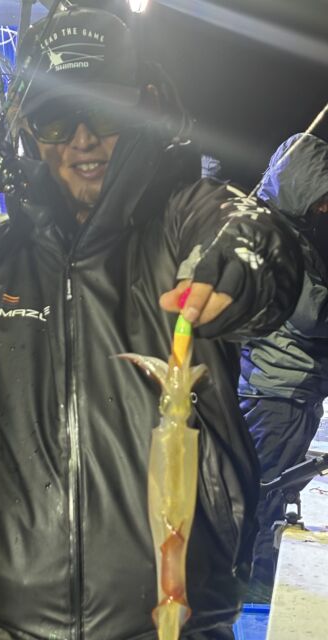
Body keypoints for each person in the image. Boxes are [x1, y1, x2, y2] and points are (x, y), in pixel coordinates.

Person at [0, 6, 303, 640]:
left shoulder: (184, 220)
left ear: (143, 105)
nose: (82, 139)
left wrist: (248, 252)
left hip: (172, 622)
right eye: (56, 118)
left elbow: (247, 234)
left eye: (104, 111)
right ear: (26, 132)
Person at [239, 132, 328, 602]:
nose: (324, 208)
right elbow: (311, 314)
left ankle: (254, 581)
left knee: (268, 490)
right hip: (278, 391)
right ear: (300, 186)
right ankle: (252, 595)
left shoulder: (278, 231)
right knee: (264, 492)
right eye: (321, 195)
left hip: (281, 387)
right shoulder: (276, 239)